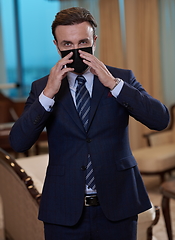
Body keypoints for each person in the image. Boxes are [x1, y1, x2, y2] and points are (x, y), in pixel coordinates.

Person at [9, 7, 169, 240]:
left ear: (94, 40)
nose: (76, 51)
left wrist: (114, 85)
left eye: (83, 42)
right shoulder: (41, 87)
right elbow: (19, 142)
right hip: (63, 209)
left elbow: (160, 120)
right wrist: (48, 95)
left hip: (119, 203)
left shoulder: (121, 78)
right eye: (67, 45)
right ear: (56, 45)